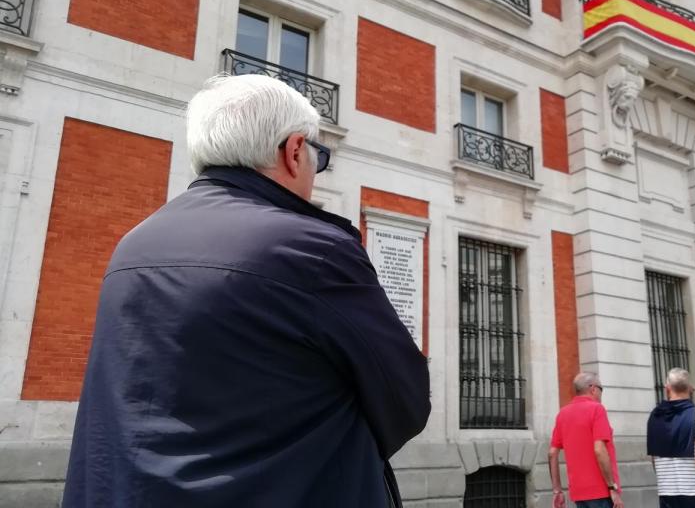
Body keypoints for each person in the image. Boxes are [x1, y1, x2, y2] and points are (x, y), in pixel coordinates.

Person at [61, 74, 432, 507]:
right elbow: (403, 399)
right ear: (294, 151)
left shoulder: (134, 242)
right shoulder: (312, 248)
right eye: (319, 156)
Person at [647, 368, 695, 508]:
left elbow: (654, 458)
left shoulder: (654, 416)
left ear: (667, 387)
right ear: (690, 388)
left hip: (666, 493)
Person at [549, 372, 623, 508]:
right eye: (601, 389)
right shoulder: (597, 409)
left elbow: (552, 453)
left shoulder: (563, 414)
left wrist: (557, 491)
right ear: (593, 389)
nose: (601, 394)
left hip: (578, 492)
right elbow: (599, 450)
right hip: (601, 491)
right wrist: (612, 488)